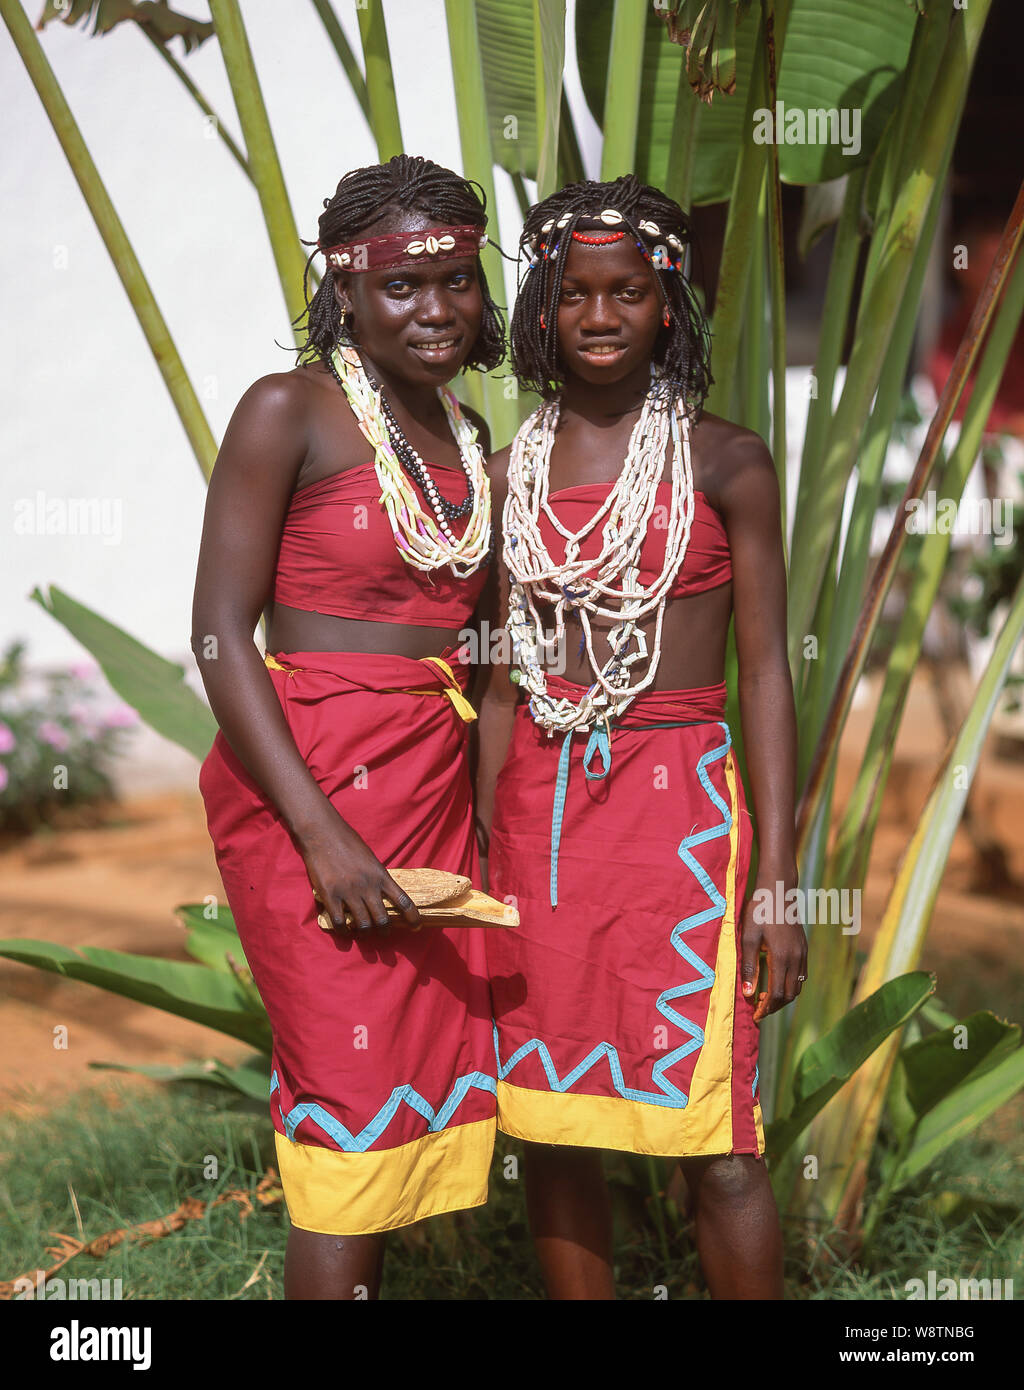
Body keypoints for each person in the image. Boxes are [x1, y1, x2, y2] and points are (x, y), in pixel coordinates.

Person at [475, 175, 805, 1300]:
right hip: (539, 817)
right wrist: (482, 837)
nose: (600, 316)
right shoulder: (509, 472)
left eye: (626, 292)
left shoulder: (727, 460)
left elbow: (763, 670)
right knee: (555, 1122)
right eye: (575, 295)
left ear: (669, 303)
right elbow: (503, 679)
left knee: (716, 1136)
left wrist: (777, 884)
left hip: (681, 821)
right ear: (542, 310)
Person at [193, 154, 505, 1300]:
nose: (437, 311)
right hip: (305, 778)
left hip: (426, 779)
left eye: (458, 282)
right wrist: (321, 833)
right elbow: (220, 630)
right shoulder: (291, 410)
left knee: (416, 1085)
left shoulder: (465, 435)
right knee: (351, 1098)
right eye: (403, 287)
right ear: (344, 291)